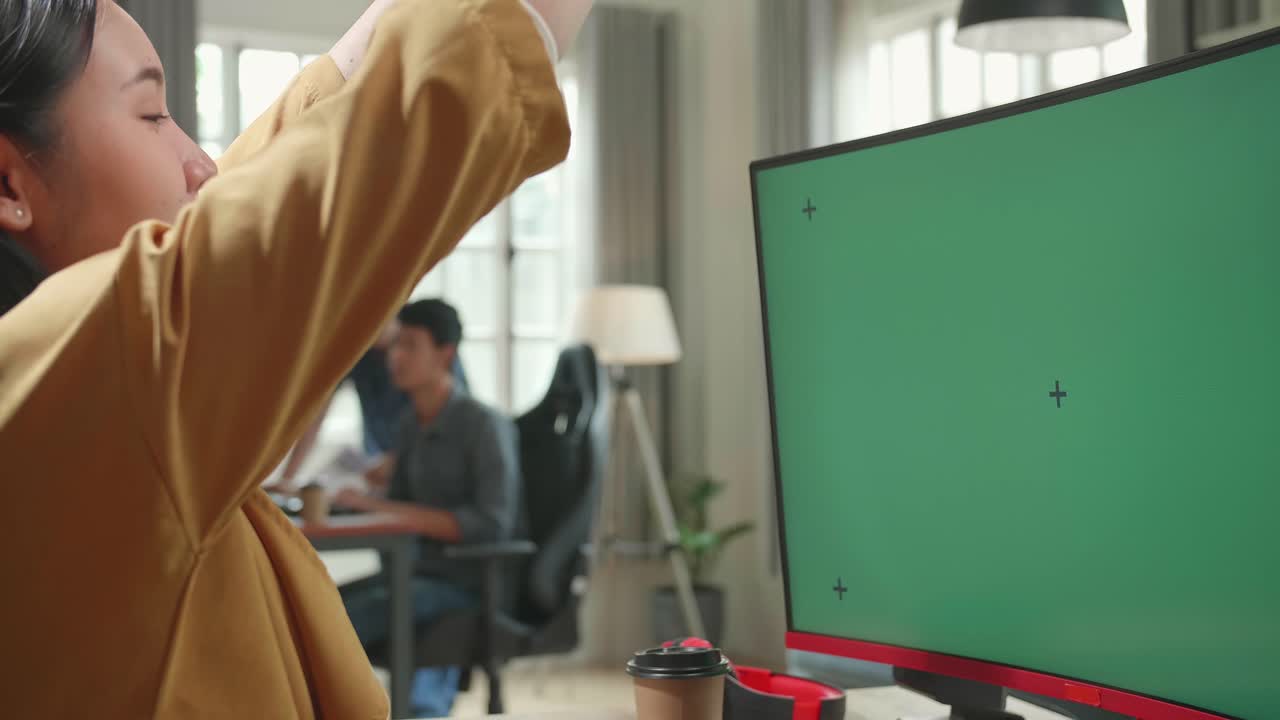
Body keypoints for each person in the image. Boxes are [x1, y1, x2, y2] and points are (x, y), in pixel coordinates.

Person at [0, 0, 591, 717]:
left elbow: (257, 179)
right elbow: (363, 149)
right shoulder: (91, 388)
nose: (201, 163)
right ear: (9, 183)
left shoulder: (66, 380)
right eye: (153, 114)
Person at [335, 298, 520, 717]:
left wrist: (391, 511)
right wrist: (352, 500)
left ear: (445, 354)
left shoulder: (483, 424)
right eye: (395, 344)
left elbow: (492, 523)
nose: (396, 356)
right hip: (410, 572)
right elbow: (397, 503)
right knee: (318, 603)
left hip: (465, 581)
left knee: (343, 622)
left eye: (410, 345)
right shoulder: (410, 424)